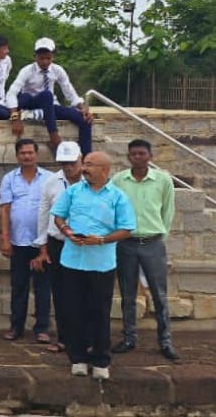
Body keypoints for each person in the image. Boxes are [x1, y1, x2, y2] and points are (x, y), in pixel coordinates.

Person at [52, 151, 136, 380]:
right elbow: (58, 216)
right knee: (73, 311)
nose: (84, 168)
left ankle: (100, 359)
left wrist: (100, 240)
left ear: (104, 170)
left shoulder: (118, 197)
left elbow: (127, 229)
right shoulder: (73, 191)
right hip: (72, 261)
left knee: (99, 312)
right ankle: (77, 357)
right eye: (85, 164)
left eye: (90, 165)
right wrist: (67, 231)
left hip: (101, 264)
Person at [110, 139, 179, 361]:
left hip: (152, 243)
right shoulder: (119, 180)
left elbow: (168, 210)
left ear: (150, 155)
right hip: (126, 244)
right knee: (127, 294)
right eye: (133, 154)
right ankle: (129, 338)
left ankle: (165, 341)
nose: (137, 157)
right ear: (128, 157)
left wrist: (160, 235)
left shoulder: (163, 180)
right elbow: (111, 208)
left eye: (141, 153)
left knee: (159, 295)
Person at [31, 140, 83, 354]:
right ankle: (64, 337)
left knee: (83, 291)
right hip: (57, 243)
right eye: (63, 163)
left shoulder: (91, 182)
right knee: (60, 292)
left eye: (71, 162)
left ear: (80, 159)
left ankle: (84, 336)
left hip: (83, 244)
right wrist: (42, 247)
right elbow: (43, 215)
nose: (68, 167)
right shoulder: (52, 182)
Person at [0, 138, 51, 343]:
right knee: (18, 287)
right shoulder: (9, 179)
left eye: (30, 152)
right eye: (23, 153)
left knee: (43, 288)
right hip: (19, 242)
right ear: (17, 155)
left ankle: (42, 328)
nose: (27, 156)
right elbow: (5, 210)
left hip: (43, 243)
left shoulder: (50, 178)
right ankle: (16, 327)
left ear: (36, 155)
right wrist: (5, 238)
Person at [6, 38, 95, 153]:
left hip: (50, 107)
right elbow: (12, 92)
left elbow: (69, 91)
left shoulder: (57, 70)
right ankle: (54, 135)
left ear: (53, 57)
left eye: (48, 58)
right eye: (41, 58)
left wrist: (82, 107)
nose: (44, 62)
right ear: (35, 57)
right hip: (32, 102)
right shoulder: (27, 70)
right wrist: (14, 118)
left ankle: (86, 157)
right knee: (46, 95)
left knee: (84, 120)